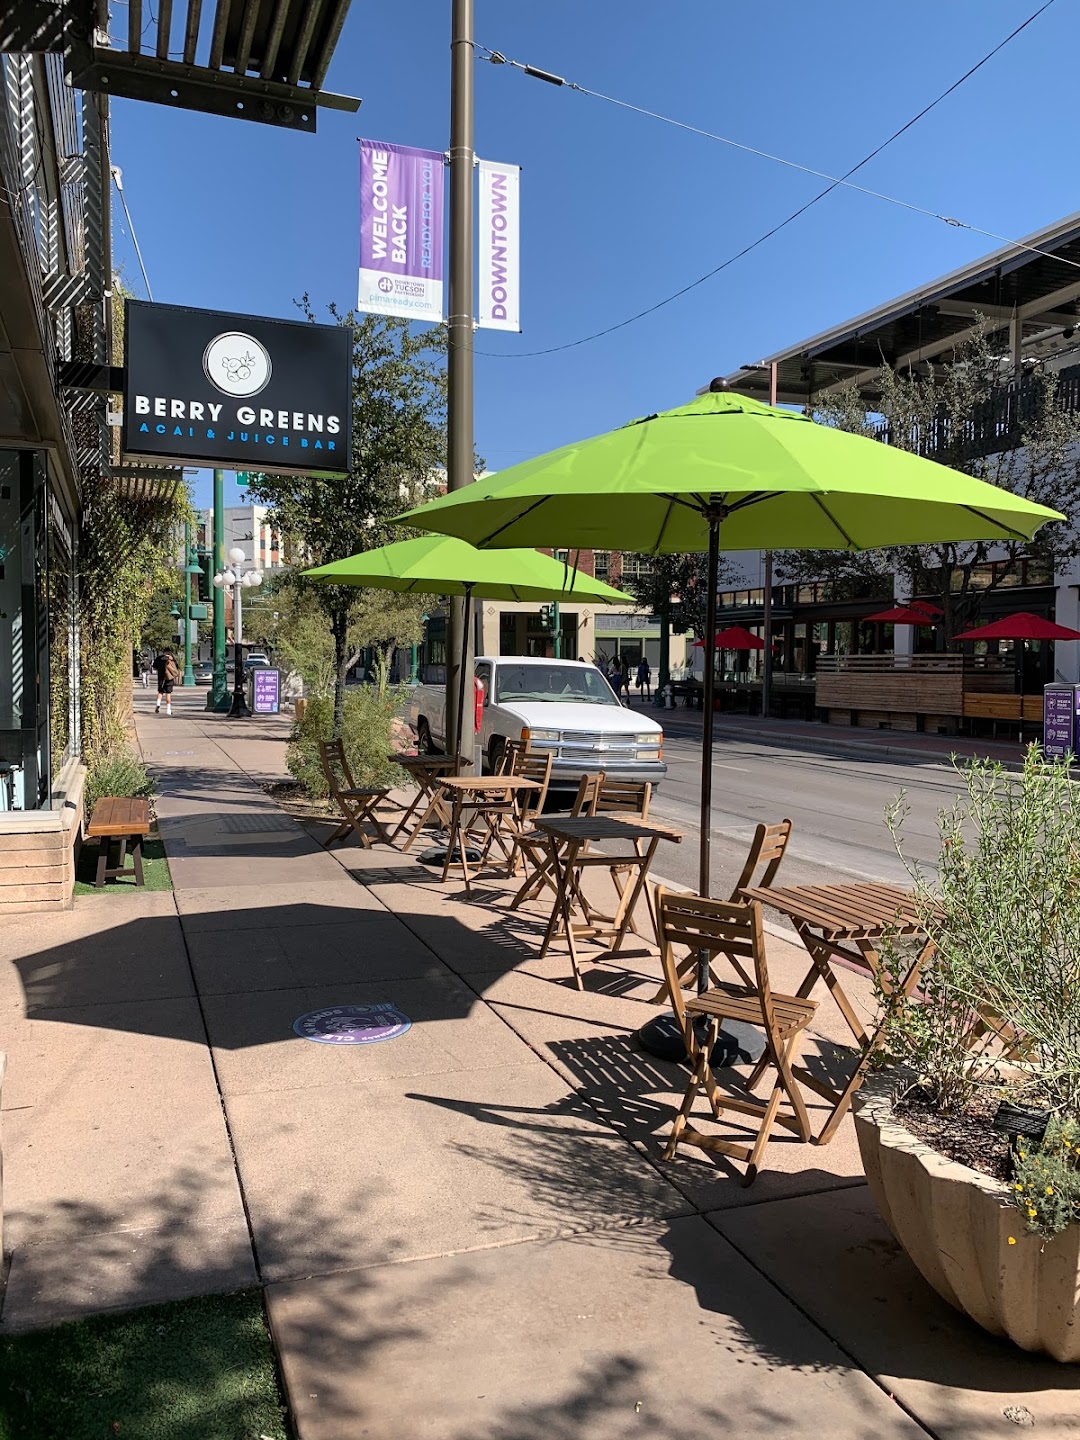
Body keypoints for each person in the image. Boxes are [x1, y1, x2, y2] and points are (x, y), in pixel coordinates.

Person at [153, 648, 179, 715]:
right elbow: (176, 667)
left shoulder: (159, 658)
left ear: (163, 652)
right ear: (169, 652)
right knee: (168, 693)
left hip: (161, 678)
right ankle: (168, 710)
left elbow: (154, 667)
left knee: (160, 692)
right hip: (169, 678)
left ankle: (158, 704)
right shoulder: (171, 659)